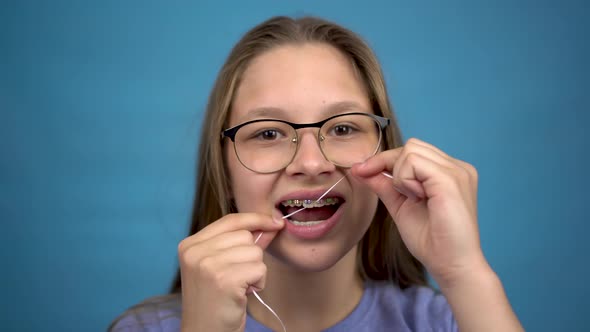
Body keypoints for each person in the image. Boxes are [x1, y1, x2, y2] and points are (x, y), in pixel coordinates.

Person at [109, 15, 523, 332]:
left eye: (342, 128)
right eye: (268, 133)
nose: (310, 163)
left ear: (387, 154)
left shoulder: (451, 321)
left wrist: (466, 274)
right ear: (224, 168)